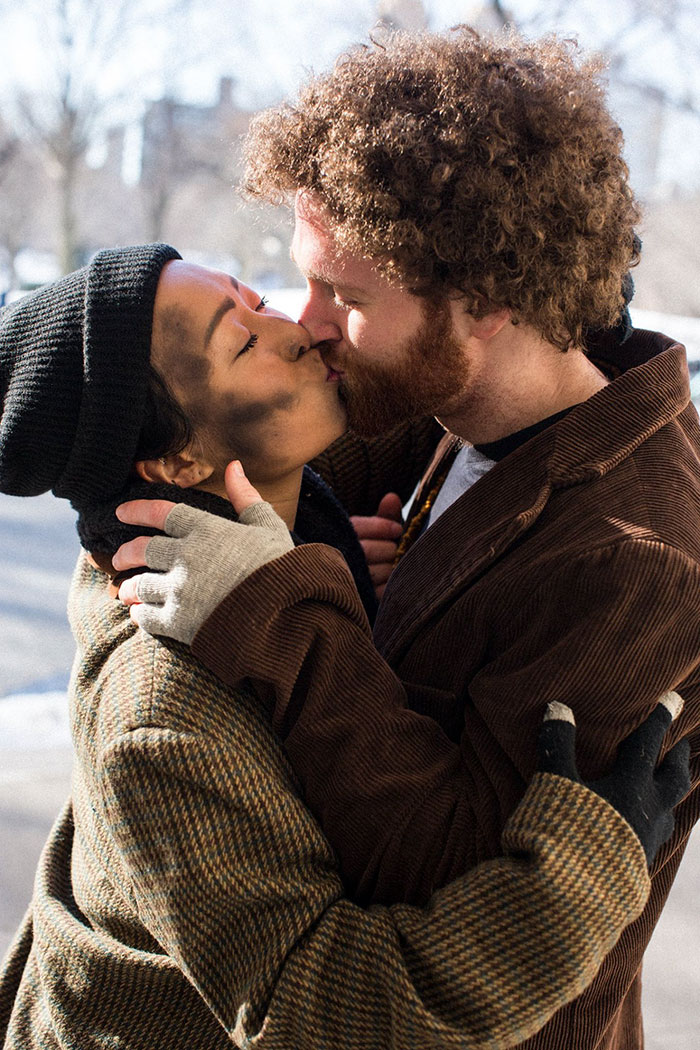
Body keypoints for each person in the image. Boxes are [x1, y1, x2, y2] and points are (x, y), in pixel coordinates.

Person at [113, 28, 700, 1050]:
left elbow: (461, 888)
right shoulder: (436, 402)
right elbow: (203, 476)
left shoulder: (637, 563)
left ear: (492, 301)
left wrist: (288, 611)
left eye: (343, 296)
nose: (308, 324)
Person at [0, 245, 690, 1049]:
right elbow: (324, 1014)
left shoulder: (275, 497)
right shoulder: (162, 708)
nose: (298, 330)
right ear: (177, 461)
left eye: (256, 297)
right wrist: (575, 889)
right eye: (244, 341)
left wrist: (550, 291)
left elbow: (447, 385)